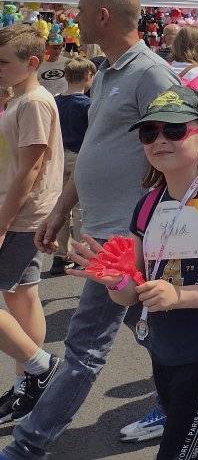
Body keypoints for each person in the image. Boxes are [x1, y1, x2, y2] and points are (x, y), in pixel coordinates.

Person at [3, 0, 179, 459]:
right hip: (100, 227)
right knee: (147, 325)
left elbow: (180, 152)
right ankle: (179, 401)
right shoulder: (105, 75)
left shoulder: (151, 75)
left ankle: (27, 445)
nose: (73, 20)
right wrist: (62, 210)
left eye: (80, 13)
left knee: (86, 345)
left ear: (102, 15)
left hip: (126, 233)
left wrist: (149, 230)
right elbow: (99, 151)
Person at [69, 85, 198, 460]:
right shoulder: (147, 206)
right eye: (150, 132)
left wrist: (181, 297)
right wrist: (117, 281)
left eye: (175, 130)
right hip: (164, 346)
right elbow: (132, 292)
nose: (160, 139)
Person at [0, 25, 64, 424]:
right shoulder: (19, 98)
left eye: (4, 62)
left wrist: (2, 222)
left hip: (23, 216)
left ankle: (40, 367)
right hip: (22, 214)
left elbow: (31, 168)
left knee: (21, 298)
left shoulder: (34, 102)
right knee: (23, 298)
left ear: (33, 63)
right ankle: (30, 381)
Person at [49, 56, 96, 276]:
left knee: (61, 206)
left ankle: (59, 256)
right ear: (88, 76)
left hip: (59, 157)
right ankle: (80, 254)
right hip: (79, 156)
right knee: (78, 209)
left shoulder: (56, 100)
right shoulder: (87, 104)